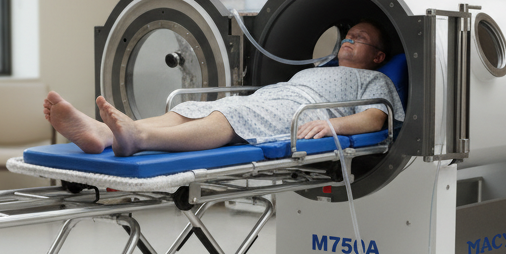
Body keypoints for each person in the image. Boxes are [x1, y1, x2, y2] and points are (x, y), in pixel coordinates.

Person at [44, 21, 405, 157]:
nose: (347, 41)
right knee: (194, 108)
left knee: (231, 114)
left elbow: (376, 118)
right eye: (347, 35)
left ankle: (137, 137)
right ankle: (103, 134)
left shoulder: (376, 81)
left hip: (304, 111)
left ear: (378, 56)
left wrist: (333, 126)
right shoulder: (316, 68)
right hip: (273, 97)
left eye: (359, 39)